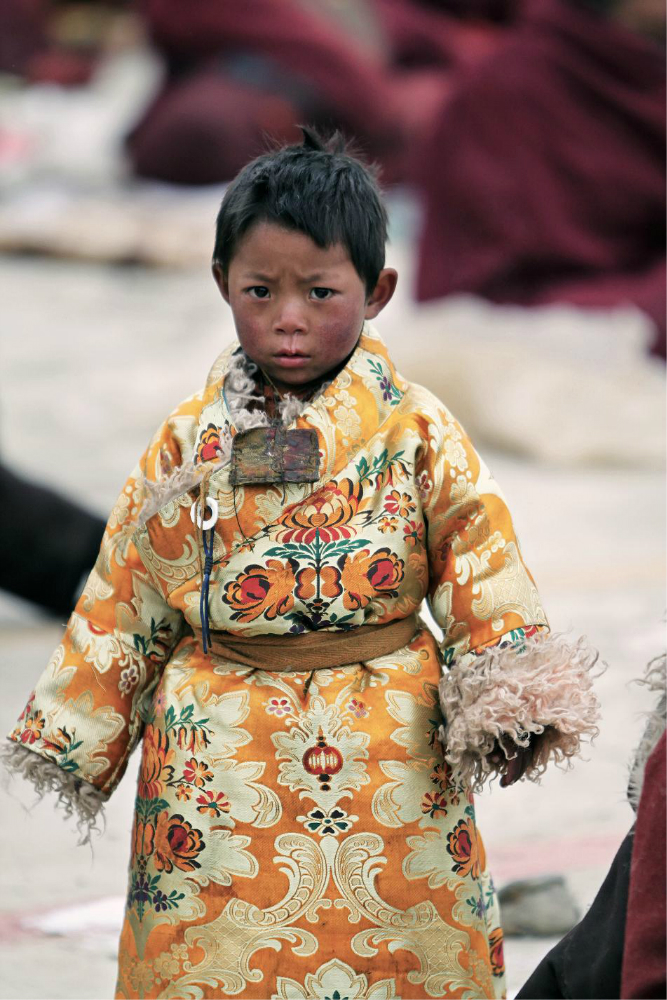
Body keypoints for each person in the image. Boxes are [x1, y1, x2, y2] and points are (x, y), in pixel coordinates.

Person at [3, 130, 600, 1000]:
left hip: (388, 742)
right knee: (214, 948)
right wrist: (77, 732)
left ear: (377, 290)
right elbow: (126, 590)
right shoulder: (187, 444)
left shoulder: (416, 431)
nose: (287, 318)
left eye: (319, 292)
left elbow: (479, 552)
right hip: (218, 753)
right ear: (221, 288)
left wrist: (512, 694)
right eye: (260, 291)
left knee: (397, 940)